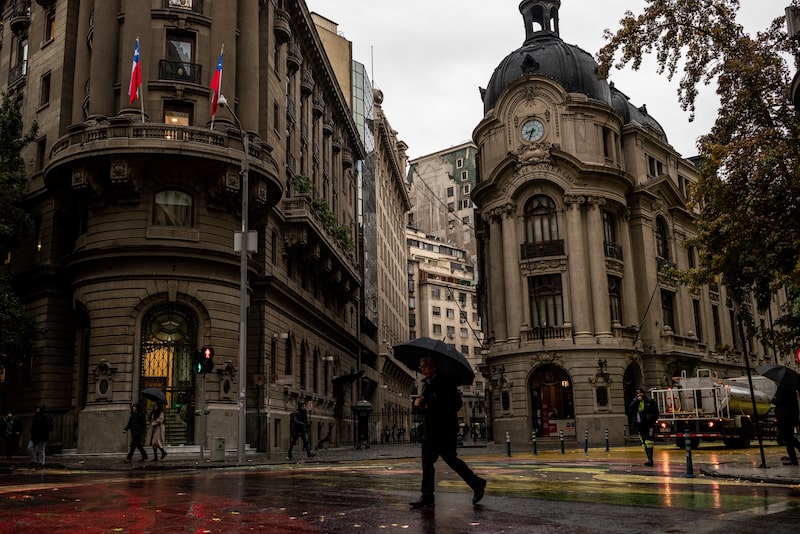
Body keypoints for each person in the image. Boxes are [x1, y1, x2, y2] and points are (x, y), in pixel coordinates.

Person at [409, 356, 486, 509]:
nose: (422, 369)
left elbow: (455, 404)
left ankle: (477, 483)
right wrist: (417, 404)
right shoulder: (426, 385)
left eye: (425, 365)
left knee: (452, 460)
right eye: (421, 366)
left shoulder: (446, 383)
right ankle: (427, 496)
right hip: (430, 431)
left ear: (434, 366)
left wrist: (436, 410)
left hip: (445, 431)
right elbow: (424, 407)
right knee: (427, 463)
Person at [627, 387, 659, 466]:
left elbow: (655, 412)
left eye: (641, 393)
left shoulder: (650, 401)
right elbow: (630, 408)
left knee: (649, 441)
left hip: (648, 424)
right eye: (638, 394)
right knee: (644, 442)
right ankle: (648, 458)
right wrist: (637, 401)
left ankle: (650, 459)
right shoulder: (634, 401)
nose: (639, 395)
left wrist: (652, 420)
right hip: (639, 424)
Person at [771, 385, 800, 465]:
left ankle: (793, 459)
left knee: (788, 439)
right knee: (790, 438)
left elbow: (777, 400)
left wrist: (773, 399)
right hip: (790, 417)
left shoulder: (782, 388)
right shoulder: (792, 389)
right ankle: (793, 458)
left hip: (783, 417)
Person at [28, 404, 53, 469]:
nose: (37, 409)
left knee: (41, 450)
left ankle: (41, 463)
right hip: (34, 436)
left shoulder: (45, 416)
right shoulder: (35, 416)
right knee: (30, 448)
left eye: (39, 408)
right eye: (37, 408)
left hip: (42, 436)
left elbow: (48, 426)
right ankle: (33, 461)